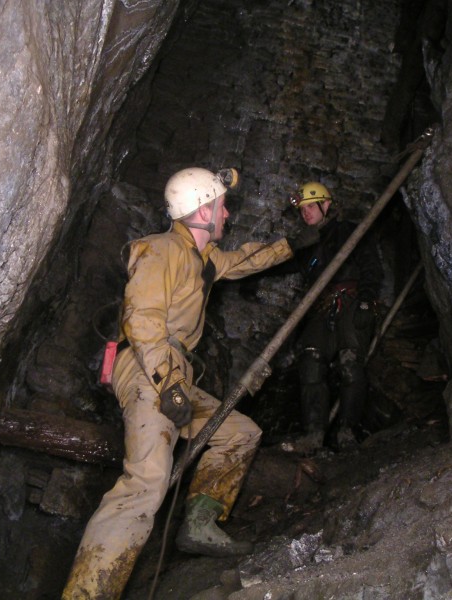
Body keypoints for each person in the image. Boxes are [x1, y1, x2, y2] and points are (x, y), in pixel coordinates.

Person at [63, 167, 298, 599]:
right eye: (222, 206)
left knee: (239, 432)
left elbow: (247, 259)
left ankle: (201, 522)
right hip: (150, 368)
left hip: (175, 375)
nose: (227, 214)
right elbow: (142, 319)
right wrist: (167, 382)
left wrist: (293, 245)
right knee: (145, 484)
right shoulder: (162, 250)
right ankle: (86, 594)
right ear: (203, 210)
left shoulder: (203, 259)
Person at [286, 181, 383, 454]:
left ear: (326, 204)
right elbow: (286, 265)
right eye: (302, 209)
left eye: (310, 207)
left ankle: (347, 433)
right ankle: (314, 435)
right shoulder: (310, 244)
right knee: (311, 360)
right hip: (323, 305)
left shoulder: (349, 232)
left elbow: (370, 265)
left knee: (350, 364)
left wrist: (365, 301)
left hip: (351, 300)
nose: (306, 213)